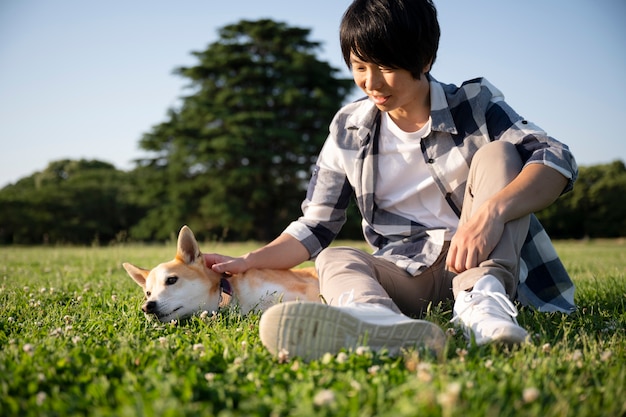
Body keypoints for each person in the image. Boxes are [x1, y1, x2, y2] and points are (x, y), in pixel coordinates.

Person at [204, 0, 578, 361]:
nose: (371, 82)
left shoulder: (474, 103)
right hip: (409, 270)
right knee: (334, 258)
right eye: (360, 66)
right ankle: (378, 322)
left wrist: (491, 214)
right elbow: (315, 225)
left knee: (499, 154)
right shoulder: (348, 128)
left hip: (485, 256)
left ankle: (484, 308)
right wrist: (248, 261)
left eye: (385, 67)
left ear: (425, 60)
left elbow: (555, 158)